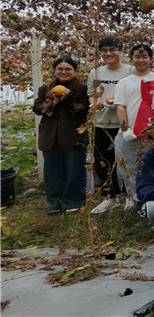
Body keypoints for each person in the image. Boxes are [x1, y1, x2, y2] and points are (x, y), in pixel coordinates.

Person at [33, 56, 90, 215]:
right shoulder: (46, 88)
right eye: (60, 69)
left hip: (74, 135)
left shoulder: (82, 89)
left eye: (68, 69)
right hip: (50, 135)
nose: (63, 72)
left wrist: (66, 100)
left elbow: (83, 110)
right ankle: (54, 202)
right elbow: (37, 108)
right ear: (54, 71)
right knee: (52, 170)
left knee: (75, 169)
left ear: (75, 71)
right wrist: (54, 102)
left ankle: (74, 201)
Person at [88, 36, 134, 214]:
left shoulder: (130, 70)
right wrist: (94, 104)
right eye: (104, 50)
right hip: (102, 123)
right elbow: (91, 93)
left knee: (128, 160)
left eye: (113, 50)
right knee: (103, 161)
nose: (109, 53)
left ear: (121, 51)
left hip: (125, 123)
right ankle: (110, 197)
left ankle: (131, 195)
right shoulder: (95, 72)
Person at [114, 44, 154, 209]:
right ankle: (133, 196)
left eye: (144, 57)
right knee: (128, 165)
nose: (141, 60)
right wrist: (125, 129)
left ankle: (151, 196)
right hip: (130, 132)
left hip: (153, 134)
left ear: (151, 59)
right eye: (137, 57)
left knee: (151, 165)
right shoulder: (124, 83)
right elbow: (120, 107)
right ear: (131, 59)